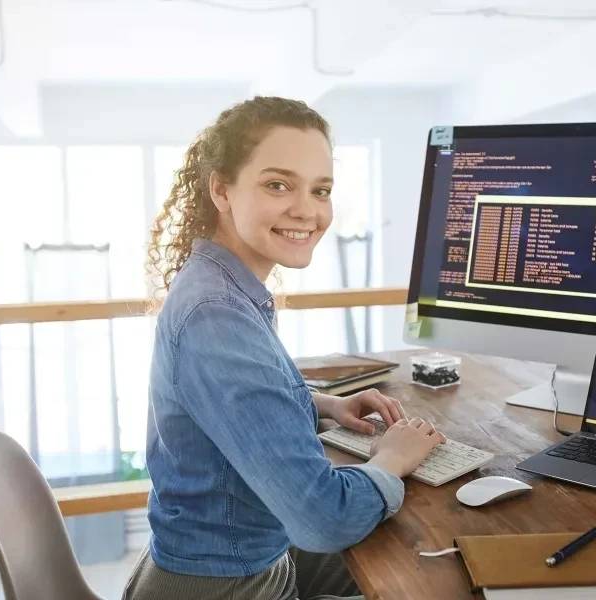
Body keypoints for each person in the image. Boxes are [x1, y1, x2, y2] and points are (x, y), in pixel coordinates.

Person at [123, 96, 446, 600]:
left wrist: (321, 404)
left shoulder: (220, 286)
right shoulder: (216, 314)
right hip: (225, 586)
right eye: (278, 185)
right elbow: (324, 521)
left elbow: (225, 402)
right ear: (221, 190)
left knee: (416, 567)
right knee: (437, 582)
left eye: (321, 190)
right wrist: (389, 460)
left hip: (232, 561)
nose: (307, 210)